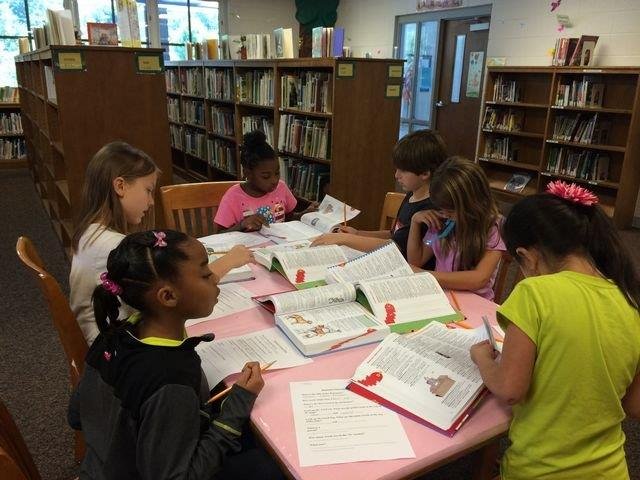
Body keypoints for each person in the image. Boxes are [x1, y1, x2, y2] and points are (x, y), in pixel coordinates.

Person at [68, 230, 283, 479]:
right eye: (205, 274)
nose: (215, 278)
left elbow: (76, 415)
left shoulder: (114, 333)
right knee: (269, 465)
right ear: (168, 296)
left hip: (101, 468)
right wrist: (236, 407)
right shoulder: (171, 380)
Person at [471, 181, 640, 480]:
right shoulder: (629, 298)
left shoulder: (534, 293)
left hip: (540, 470)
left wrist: (483, 359)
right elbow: (634, 404)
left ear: (528, 256)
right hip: (612, 470)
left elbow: (510, 390)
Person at [70, 141, 252, 345]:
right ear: (120, 186)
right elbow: (182, 289)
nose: (151, 201)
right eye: (148, 190)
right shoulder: (115, 247)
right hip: (114, 347)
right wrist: (229, 261)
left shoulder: (90, 231)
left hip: (106, 335)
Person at [311, 130, 447, 266]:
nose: (396, 175)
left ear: (424, 173)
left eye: (403, 170)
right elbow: (393, 234)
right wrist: (358, 233)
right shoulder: (412, 194)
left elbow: (395, 246)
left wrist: (345, 239)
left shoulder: (430, 208)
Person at [405, 156, 505, 300]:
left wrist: (426, 275)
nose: (445, 214)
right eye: (442, 209)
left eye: (451, 211)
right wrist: (415, 222)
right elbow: (417, 260)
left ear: (472, 203)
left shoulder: (492, 227)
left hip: (475, 302)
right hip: (441, 297)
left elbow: (479, 279)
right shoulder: (445, 220)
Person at [214, 130, 317, 232]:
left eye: (277, 173)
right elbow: (219, 234)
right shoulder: (233, 196)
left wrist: (305, 214)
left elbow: (289, 217)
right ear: (247, 173)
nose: (274, 180)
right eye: (266, 176)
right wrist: (242, 225)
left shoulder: (281, 187)